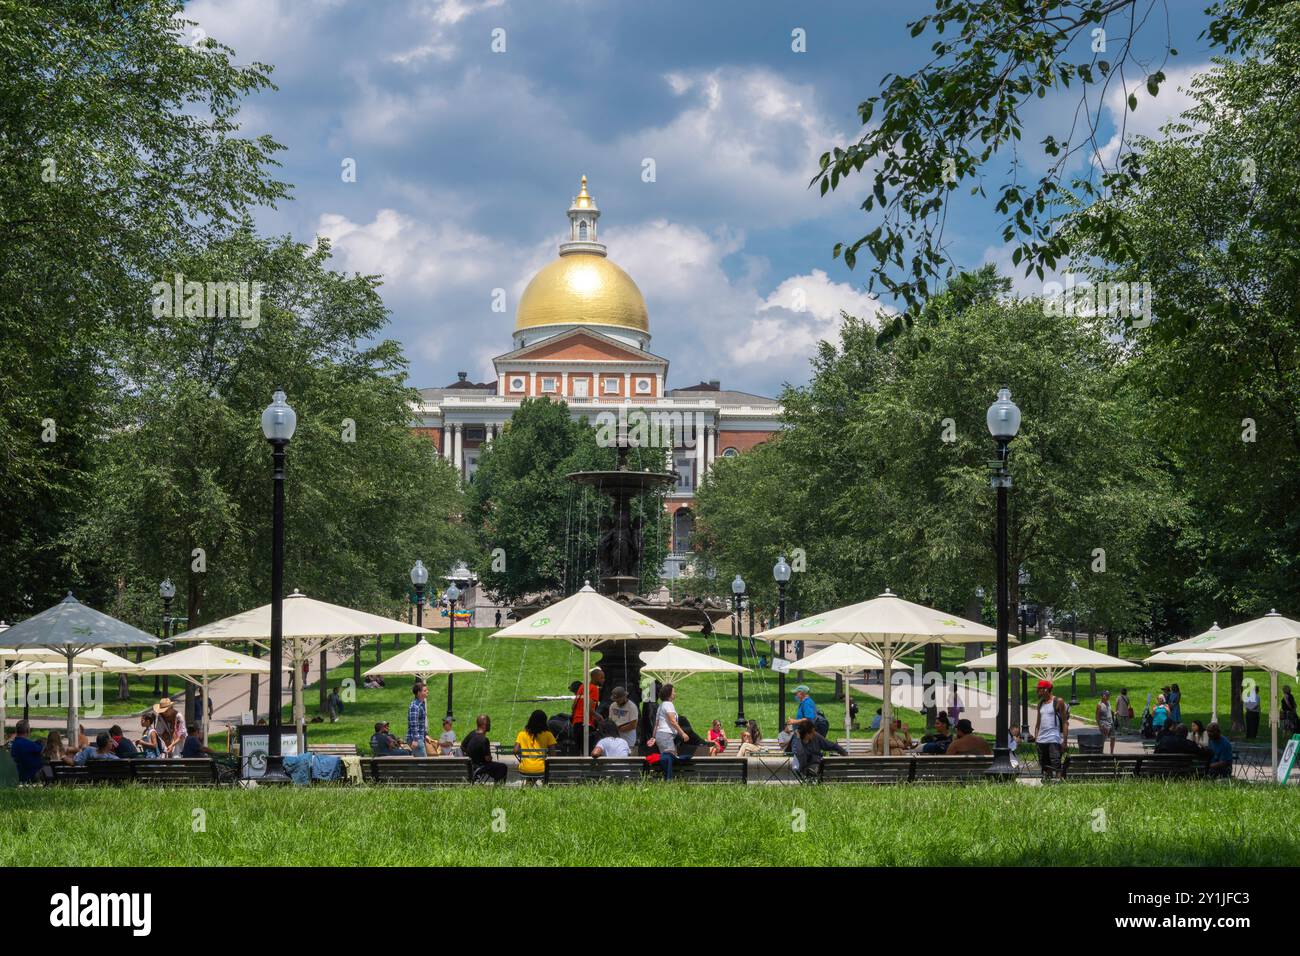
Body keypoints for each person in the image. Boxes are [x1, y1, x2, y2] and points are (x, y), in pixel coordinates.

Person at [653, 683, 692, 780]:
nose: (675, 693)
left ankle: (669, 778)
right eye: (674, 691)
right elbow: (672, 721)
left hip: (660, 735)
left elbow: (656, 724)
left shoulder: (661, 705)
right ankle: (669, 779)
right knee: (668, 758)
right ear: (669, 693)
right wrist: (682, 733)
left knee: (668, 758)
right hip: (666, 735)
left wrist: (654, 737)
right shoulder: (669, 705)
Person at [1033, 679, 1069, 779]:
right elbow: (1037, 724)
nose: (1037, 691)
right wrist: (1036, 738)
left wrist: (1065, 741)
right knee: (1045, 767)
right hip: (1041, 740)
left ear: (1046, 690)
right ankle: (1048, 785)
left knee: (1056, 765)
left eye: (1039, 689)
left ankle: (1058, 785)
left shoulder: (1058, 701)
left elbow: (1065, 722)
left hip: (1053, 739)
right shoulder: (1040, 704)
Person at [463, 714, 506, 782]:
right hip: (479, 767)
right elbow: (488, 759)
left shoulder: (471, 734)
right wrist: (489, 758)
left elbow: (462, 747)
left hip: (470, 766)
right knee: (503, 767)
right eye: (489, 723)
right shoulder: (484, 740)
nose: (490, 725)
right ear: (484, 725)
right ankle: (498, 787)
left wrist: (471, 754)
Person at [514, 709, 557, 779]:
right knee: (544, 768)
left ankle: (529, 786)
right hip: (542, 769)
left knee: (530, 773)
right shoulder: (548, 735)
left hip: (525, 769)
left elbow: (515, 750)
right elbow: (553, 755)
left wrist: (527, 752)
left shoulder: (521, 734)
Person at [571, 667, 604, 736]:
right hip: (585, 723)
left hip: (576, 722)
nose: (603, 680)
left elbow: (573, 706)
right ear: (595, 677)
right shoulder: (594, 689)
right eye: (601, 678)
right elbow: (589, 709)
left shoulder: (583, 686)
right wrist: (600, 717)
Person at [607, 686, 639, 752]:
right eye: (615, 700)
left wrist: (619, 729)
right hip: (615, 736)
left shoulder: (632, 707)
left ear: (624, 697)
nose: (617, 702)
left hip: (628, 737)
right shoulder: (613, 705)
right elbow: (610, 720)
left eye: (619, 700)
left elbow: (633, 725)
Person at [407, 681, 429, 755]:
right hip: (416, 739)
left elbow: (421, 723)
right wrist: (415, 740)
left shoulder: (421, 704)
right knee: (424, 764)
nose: (427, 691)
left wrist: (425, 735)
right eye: (425, 690)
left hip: (420, 738)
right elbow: (414, 723)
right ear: (419, 693)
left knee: (419, 764)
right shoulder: (415, 706)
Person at [1095, 689, 1116, 754]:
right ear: (1102, 696)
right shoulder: (1099, 705)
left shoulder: (1108, 702)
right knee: (1102, 740)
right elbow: (1097, 716)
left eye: (1108, 695)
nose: (1108, 696)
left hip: (1111, 723)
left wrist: (1114, 713)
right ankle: (1100, 752)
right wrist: (1100, 726)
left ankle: (1111, 753)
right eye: (1106, 695)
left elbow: (1110, 711)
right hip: (1104, 724)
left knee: (1113, 738)